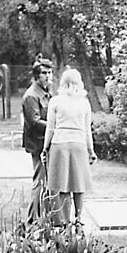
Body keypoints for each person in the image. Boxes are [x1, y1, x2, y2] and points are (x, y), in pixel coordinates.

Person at [42, 68, 96, 225]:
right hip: (79, 144)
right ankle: (79, 220)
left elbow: (50, 128)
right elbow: (87, 130)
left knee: (63, 185)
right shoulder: (84, 103)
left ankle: (65, 221)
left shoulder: (56, 101)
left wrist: (45, 148)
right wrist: (91, 151)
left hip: (59, 145)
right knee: (79, 185)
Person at [22, 54, 54, 222]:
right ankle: (33, 221)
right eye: (44, 73)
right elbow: (34, 122)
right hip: (38, 144)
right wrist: (53, 126)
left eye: (50, 72)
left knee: (48, 182)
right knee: (39, 182)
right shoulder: (31, 95)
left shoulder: (47, 92)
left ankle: (44, 218)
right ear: (37, 75)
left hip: (48, 143)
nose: (47, 76)